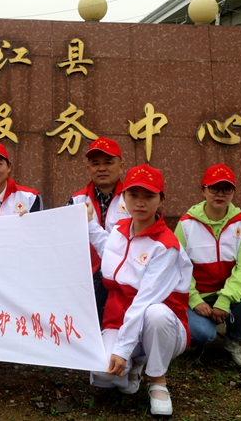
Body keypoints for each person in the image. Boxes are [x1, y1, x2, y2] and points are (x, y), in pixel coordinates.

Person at [90, 165, 192, 417]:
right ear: (124, 196)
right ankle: (135, 366)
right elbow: (107, 248)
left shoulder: (166, 246)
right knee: (102, 370)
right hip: (119, 320)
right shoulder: (119, 230)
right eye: (133, 195)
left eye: (149, 196)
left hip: (163, 327)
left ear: (161, 199)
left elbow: (144, 301)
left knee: (155, 313)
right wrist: (88, 222)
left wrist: (122, 349)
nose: (140, 203)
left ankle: (158, 381)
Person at [174, 164, 241, 367]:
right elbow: (178, 267)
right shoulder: (186, 224)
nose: (220, 194)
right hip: (197, 296)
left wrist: (224, 300)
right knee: (203, 334)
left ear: (233, 192)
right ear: (203, 190)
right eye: (213, 188)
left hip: (226, 295)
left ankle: (233, 339)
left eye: (226, 188)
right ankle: (195, 333)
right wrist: (194, 299)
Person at [66, 137, 129, 325]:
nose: (101, 168)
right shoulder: (76, 201)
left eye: (108, 162)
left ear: (121, 166)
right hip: (85, 277)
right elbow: (63, 240)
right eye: (95, 164)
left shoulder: (133, 199)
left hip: (124, 275)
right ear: (88, 169)